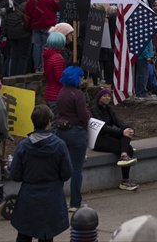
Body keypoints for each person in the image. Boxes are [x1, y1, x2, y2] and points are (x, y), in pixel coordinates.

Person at [9, 104, 73, 242]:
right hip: (52, 197)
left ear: (33, 122)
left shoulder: (23, 146)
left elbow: (15, 175)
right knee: (47, 236)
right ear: (49, 122)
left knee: (24, 235)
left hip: (28, 197)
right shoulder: (59, 145)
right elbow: (67, 173)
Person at [54, 65, 90, 211]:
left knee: (62, 168)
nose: (82, 79)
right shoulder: (78, 94)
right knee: (76, 170)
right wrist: (88, 118)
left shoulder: (61, 92)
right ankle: (75, 203)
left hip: (62, 132)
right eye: (81, 76)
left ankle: (58, 201)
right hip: (77, 133)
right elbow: (83, 115)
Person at [90, 88, 140, 191]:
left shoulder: (109, 109)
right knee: (128, 148)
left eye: (109, 96)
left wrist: (128, 128)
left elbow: (118, 122)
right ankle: (125, 181)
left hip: (108, 137)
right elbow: (103, 128)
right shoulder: (94, 110)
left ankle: (123, 155)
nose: (107, 98)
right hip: (98, 140)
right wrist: (122, 132)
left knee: (126, 135)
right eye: (104, 96)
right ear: (99, 98)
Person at [25, 0, 59, 73]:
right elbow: (57, 7)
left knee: (37, 47)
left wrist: (28, 26)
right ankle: (44, 67)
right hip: (47, 25)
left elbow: (27, 14)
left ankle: (37, 67)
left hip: (35, 26)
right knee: (46, 47)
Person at [2, 0, 33, 77]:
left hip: (11, 32)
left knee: (14, 56)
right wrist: (29, 29)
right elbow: (28, 20)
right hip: (23, 33)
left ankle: (11, 76)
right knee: (23, 57)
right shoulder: (26, 5)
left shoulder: (12, 3)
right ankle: (19, 77)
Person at [41, 31, 66, 105]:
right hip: (56, 94)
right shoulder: (58, 58)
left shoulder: (48, 55)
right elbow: (59, 78)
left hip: (49, 92)